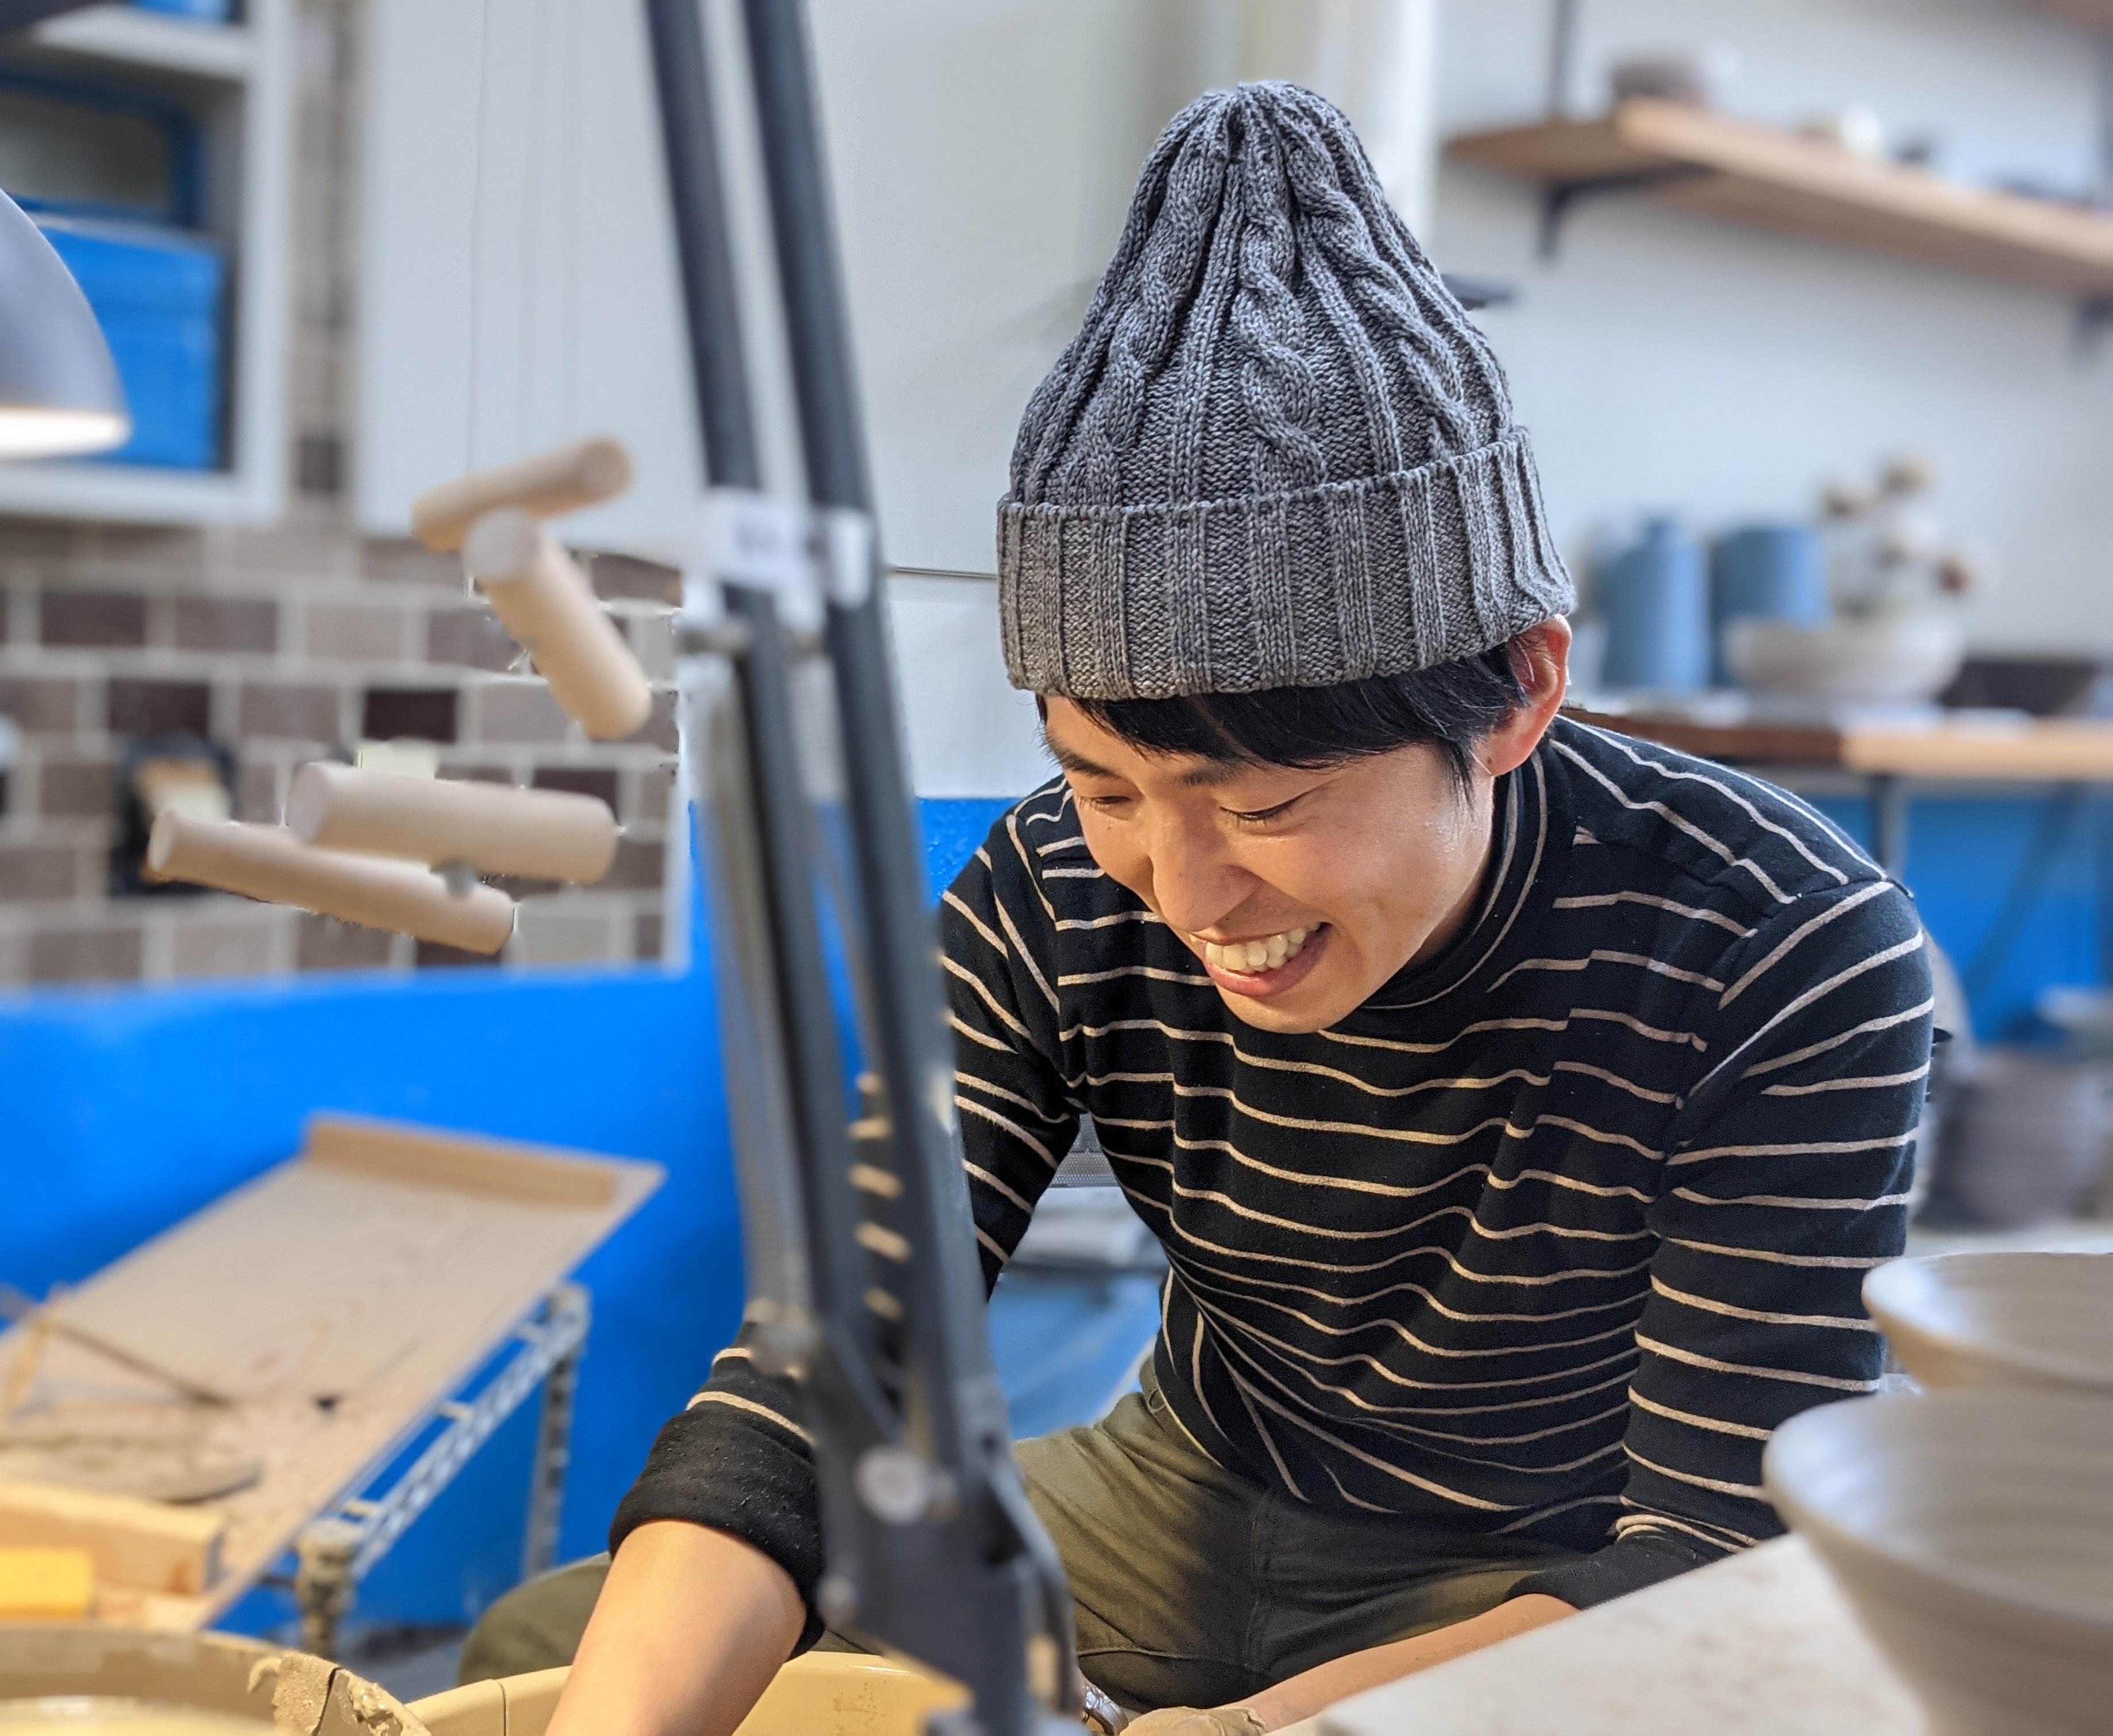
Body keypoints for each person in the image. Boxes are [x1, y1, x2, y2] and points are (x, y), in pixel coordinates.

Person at [466, 82, 1932, 1736]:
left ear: (1518, 691)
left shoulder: (1781, 945)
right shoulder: (1052, 888)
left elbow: (1710, 1550)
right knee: (562, 1653)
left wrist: (1243, 1735)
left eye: (1269, 804)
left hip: (1551, 1567)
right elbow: (827, 1385)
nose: (1184, 890)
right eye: (1106, 786)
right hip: (1193, 1488)